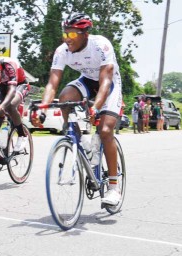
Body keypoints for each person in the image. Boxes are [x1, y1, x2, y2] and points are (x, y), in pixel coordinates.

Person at [32, 13, 122, 206]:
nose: (67, 39)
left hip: (109, 84)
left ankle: (114, 188)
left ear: (85, 34)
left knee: (105, 131)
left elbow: (105, 81)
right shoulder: (62, 51)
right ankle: (78, 138)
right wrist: (43, 108)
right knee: (65, 96)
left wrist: (95, 107)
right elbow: (52, 83)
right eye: (65, 34)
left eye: (72, 35)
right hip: (87, 81)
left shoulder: (101, 45)